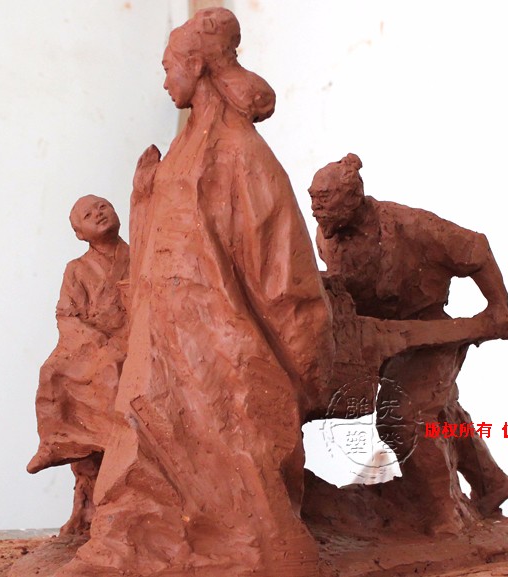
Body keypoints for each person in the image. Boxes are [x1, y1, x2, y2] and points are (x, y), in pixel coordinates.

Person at [58, 9, 335, 577]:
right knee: (140, 446)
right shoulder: (183, 149)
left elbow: (281, 269)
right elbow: (159, 251)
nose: (164, 81)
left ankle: (259, 553)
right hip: (162, 345)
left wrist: (304, 361)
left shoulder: (241, 153)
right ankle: (126, 544)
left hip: (218, 349)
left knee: (239, 463)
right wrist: (142, 198)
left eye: (169, 67)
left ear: (197, 65)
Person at [308, 153, 508, 532]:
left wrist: (498, 308)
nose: (315, 212)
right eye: (313, 201)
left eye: (324, 202)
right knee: (439, 410)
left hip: (429, 332)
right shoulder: (328, 236)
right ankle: (492, 483)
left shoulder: (410, 225)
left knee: (402, 416)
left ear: (353, 197)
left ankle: (443, 515)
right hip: (379, 338)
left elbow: (475, 248)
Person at [27, 194, 129, 536]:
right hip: (90, 343)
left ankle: (117, 452)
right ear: (80, 234)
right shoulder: (77, 269)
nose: (98, 213)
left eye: (103, 207)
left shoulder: (140, 255)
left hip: (130, 338)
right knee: (52, 373)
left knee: (114, 372)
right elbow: (67, 315)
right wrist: (96, 340)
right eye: (88, 214)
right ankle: (54, 442)